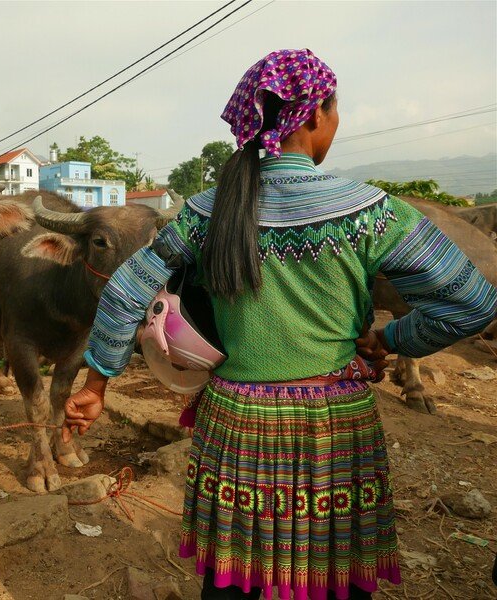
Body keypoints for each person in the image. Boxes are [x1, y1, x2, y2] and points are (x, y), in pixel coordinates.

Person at [62, 48, 497, 600]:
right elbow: (473, 303)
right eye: (336, 112)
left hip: (235, 428)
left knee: (233, 583)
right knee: (333, 577)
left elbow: (127, 289)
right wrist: (388, 337)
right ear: (316, 114)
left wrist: (97, 382)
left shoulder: (205, 211)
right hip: (335, 432)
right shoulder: (373, 212)